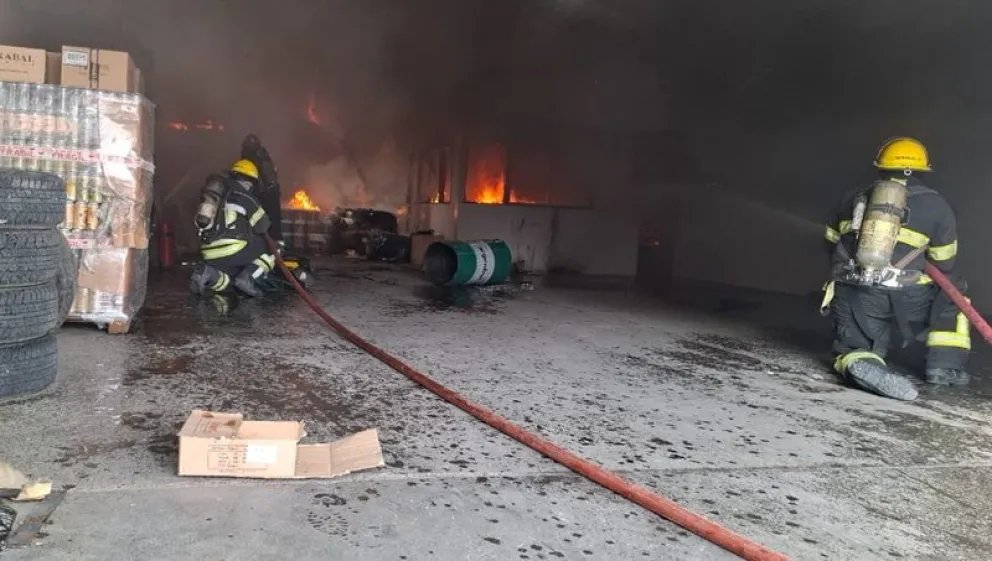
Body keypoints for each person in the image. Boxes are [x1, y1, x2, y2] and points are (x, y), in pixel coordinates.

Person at [821, 137, 970, 401]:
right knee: (955, 297)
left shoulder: (851, 197)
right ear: (923, 170)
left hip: (857, 291)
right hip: (909, 294)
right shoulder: (938, 206)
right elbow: (944, 262)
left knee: (857, 344)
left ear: (881, 166)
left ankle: (860, 360)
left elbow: (830, 244)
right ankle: (944, 368)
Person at [189, 159, 276, 298]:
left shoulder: (217, 194)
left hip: (208, 252)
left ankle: (210, 274)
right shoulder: (245, 196)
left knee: (229, 282)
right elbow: (263, 226)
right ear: (250, 181)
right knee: (271, 250)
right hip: (232, 250)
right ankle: (248, 278)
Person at [240, 134, 284, 249]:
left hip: (266, 196)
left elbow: (270, 180)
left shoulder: (262, 160)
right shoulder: (258, 158)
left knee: (269, 224)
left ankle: (274, 247)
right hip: (261, 194)